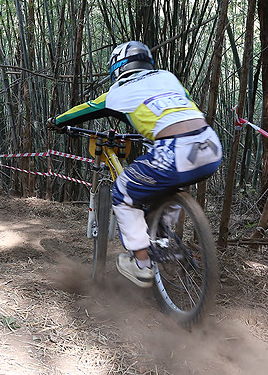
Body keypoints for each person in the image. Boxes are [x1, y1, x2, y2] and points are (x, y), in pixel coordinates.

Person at [50, 41, 223, 287]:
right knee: (170, 184)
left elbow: (85, 110)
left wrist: (57, 121)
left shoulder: (118, 91)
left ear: (118, 67)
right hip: (210, 145)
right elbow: (180, 107)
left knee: (123, 190)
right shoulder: (168, 77)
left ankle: (141, 264)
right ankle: (162, 233)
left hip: (175, 150)